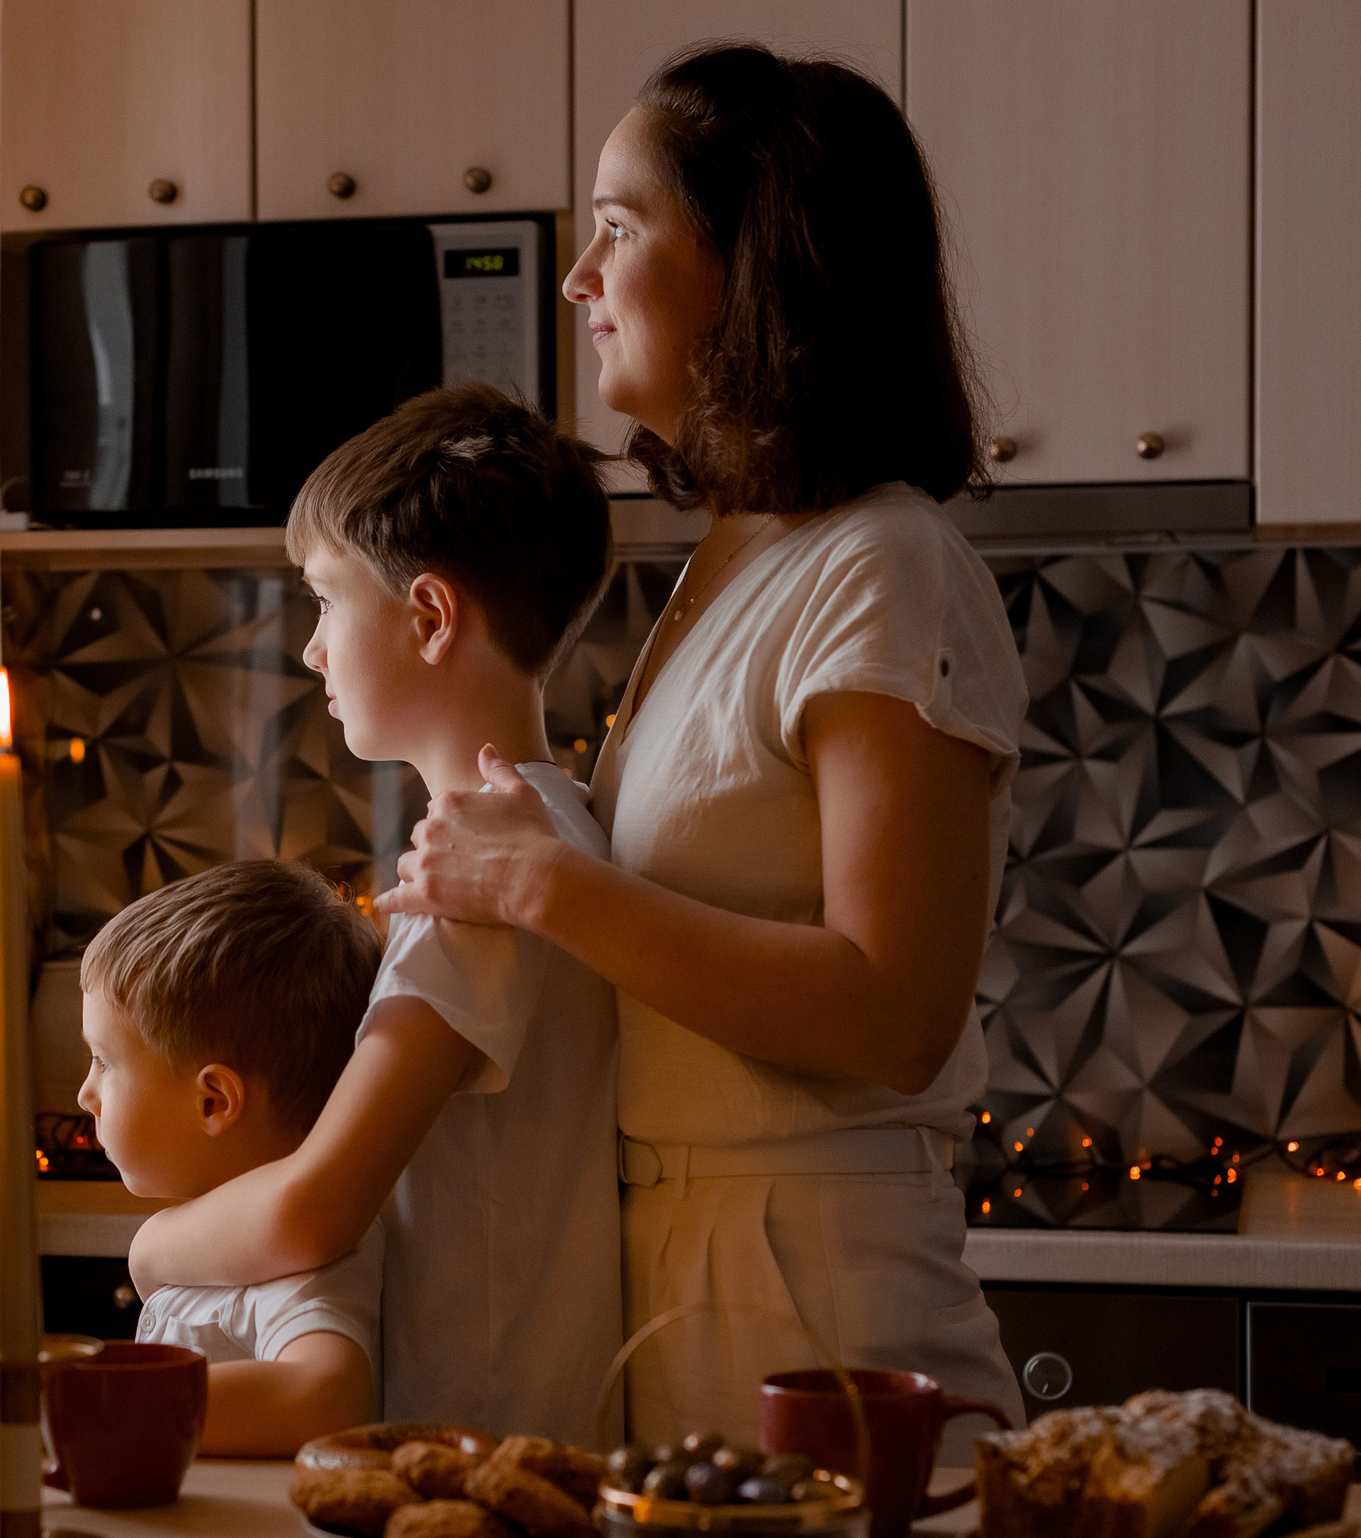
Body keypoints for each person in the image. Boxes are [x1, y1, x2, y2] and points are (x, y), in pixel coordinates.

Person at [375, 43, 1027, 1448]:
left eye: (619, 226)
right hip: (688, 1267)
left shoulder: (884, 565)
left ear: (758, 261)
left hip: (812, 1291)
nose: (577, 278)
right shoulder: (735, 563)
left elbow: (895, 1012)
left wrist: (545, 882)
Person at [126, 385, 623, 1446]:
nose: (310, 650)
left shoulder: (486, 872)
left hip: (474, 1432)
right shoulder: (550, 824)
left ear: (431, 616)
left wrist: (152, 1249)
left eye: (323, 599)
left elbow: (314, 1205)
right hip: (508, 1422)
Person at [0, 860, 384, 1457]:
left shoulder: (299, 1265)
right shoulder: (240, 1244)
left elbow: (324, 1397)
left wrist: (25, 1403)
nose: (84, 1094)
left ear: (213, 1100)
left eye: (104, 1062)